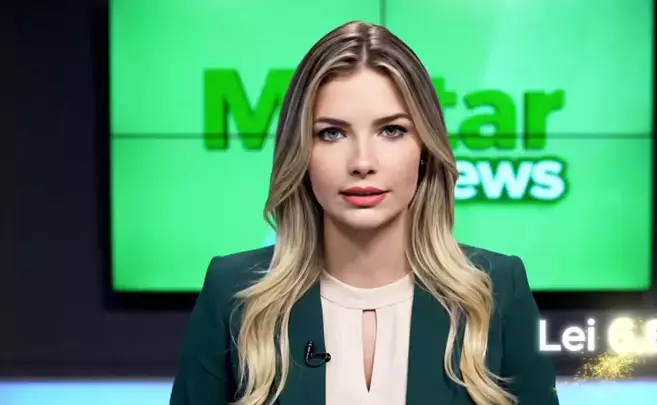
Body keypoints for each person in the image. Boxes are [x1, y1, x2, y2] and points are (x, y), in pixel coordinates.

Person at [170, 21, 559, 405]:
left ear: (425, 147)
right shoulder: (233, 293)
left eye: (391, 131)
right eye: (332, 133)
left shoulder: (497, 291)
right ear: (301, 152)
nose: (362, 162)